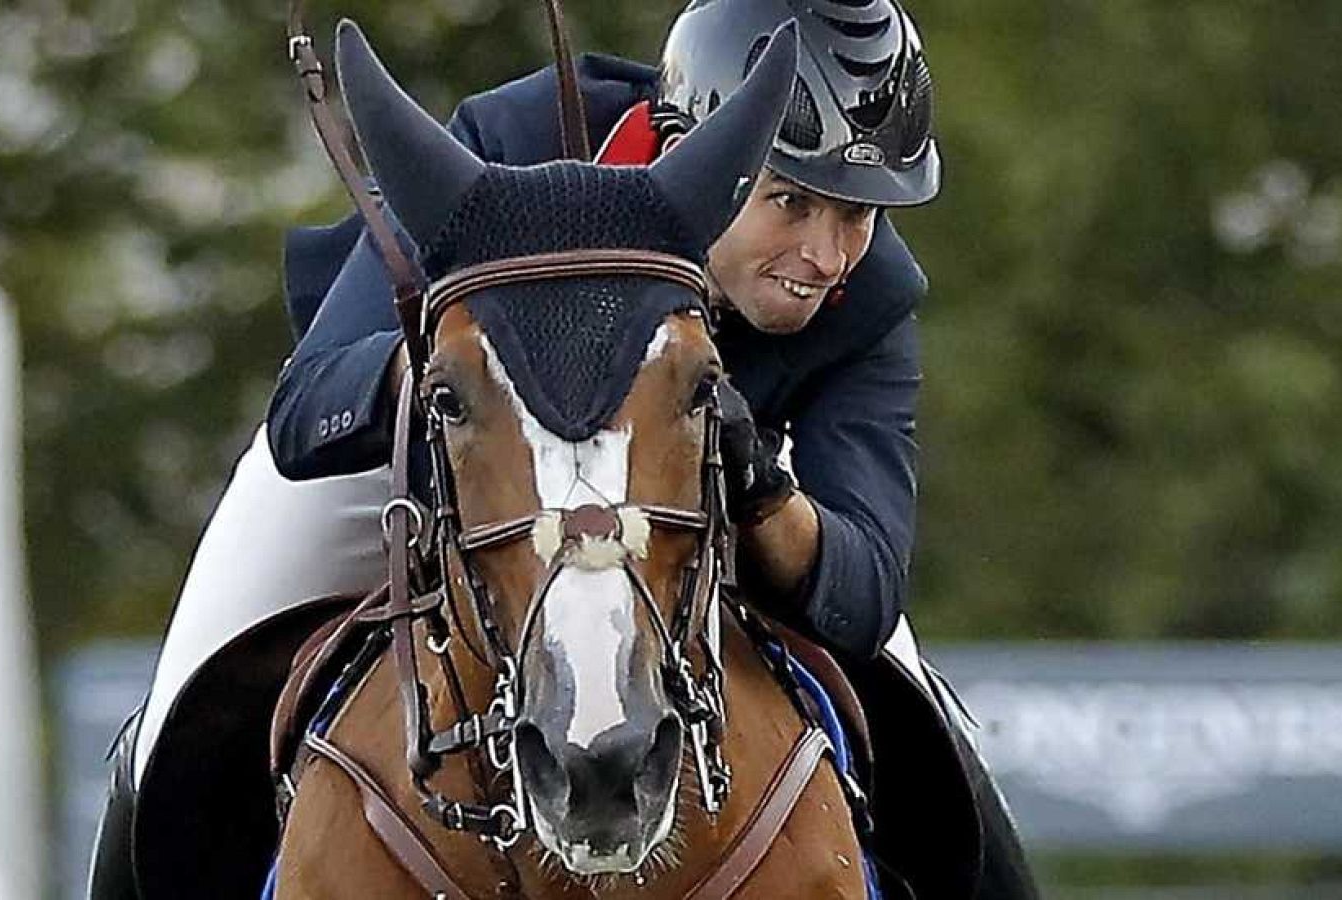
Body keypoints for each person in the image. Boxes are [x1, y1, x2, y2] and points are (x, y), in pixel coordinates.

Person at [88, 2, 1037, 898]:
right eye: (792, 201)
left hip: (697, 485)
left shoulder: (867, 305)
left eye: (858, 213)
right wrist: (466, 388)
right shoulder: (510, 149)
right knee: (180, 713)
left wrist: (755, 480)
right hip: (424, 447)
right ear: (697, 152)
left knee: (940, 744)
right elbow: (307, 409)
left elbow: (864, 588)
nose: (825, 255)